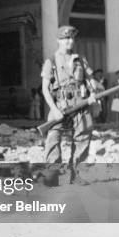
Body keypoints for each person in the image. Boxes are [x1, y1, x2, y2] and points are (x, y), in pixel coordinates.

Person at [41, 25, 98, 182]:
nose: (70, 41)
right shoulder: (51, 61)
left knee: (84, 137)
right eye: (66, 38)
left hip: (80, 103)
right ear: (58, 40)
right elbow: (45, 89)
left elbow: (91, 80)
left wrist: (94, 93)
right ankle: (52, 176)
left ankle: (76, 174)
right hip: (59, 104)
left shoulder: (81, 59)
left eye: (72, 38)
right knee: (53, 138)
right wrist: (54, 109)